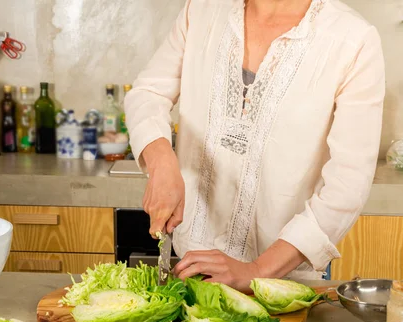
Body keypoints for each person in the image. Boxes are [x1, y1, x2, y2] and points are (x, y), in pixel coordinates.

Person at [125, 0, 385, 291]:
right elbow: (148, 93)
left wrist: (257, 271)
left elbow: (347, 185)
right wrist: (162, 163)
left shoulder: (354, 39)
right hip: (192, 268)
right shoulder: (201, 10)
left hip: (282, 280)